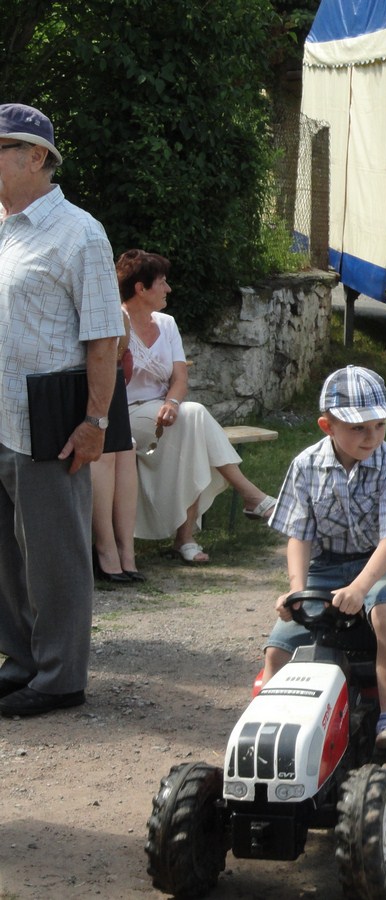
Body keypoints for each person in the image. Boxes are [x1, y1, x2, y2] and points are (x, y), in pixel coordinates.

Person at [0, 104, 125, 717]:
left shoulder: (80, 233)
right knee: (5, 554)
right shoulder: (3, 228)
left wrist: (95, 422)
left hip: (47, 421)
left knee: (55, 555)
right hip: (0, 417)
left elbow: (104, 337)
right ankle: (22, 660)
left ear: (36, 157)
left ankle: (59, 678)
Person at [262, 365, 386, 751]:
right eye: (359, 428)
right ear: (327, 426)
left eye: (380, 425)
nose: (372, 437)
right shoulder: (305, 466)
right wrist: (296, 591)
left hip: (377, 563)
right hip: (325, 566)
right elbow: (299, 536)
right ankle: (273, 731)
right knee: (277, 648)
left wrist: (361, 587)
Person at [119, 249, 275, 563]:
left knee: (191, 429)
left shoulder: (167, 324)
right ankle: (247, 497)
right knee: (194, 418)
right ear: (140, 288)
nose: (168, 289)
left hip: (165, 411)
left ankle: (186, 538)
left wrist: (172, 402)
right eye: (162, 283)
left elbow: (180, 378)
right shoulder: (116, 323)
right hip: (126, 414)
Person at [90, 306, 142, 582]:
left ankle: (126, 550)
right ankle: (106, 548)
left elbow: (120, 345)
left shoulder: (113, 309)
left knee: (126, 449)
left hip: (109, 387)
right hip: (82, 390)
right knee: (106, 453)